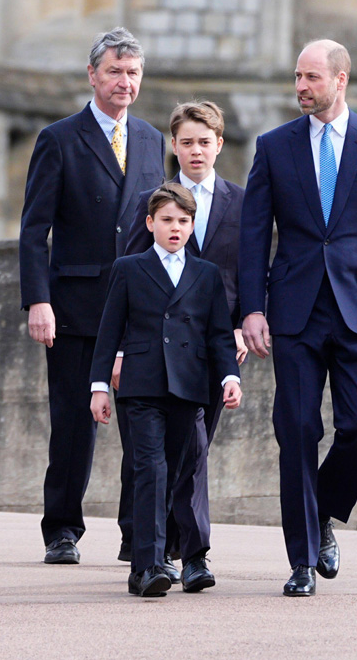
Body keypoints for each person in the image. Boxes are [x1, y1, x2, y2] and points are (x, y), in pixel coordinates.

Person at [239, 39, 357, 597]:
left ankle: (322, 516)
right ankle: (300, 562)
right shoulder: (273, 148)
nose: (300, 86)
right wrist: (251, 308)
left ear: (340, 80)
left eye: (311, 77)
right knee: (295, 430)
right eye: (297, 76)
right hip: (292, 311)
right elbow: (252, 235)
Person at [19, 27, 166, 564]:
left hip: (139, 307)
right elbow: (35, 230)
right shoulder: (59, 138)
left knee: (142, 422)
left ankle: (136, 534)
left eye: (132, 73)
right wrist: (39, 300)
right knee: (74, 425)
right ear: (92, 75)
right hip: (75, 306)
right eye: (114, 72)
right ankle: (61, 529)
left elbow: (162, 222)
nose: (124, 82)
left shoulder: (152, 139)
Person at [118, 101, 247, 589]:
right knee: (156, 453)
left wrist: (246, 322)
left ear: (219, 145)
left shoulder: (242, 200)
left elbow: (252, 269)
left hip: (216, 348)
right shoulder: (153, 203)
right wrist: (124, 350)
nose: (196, 150)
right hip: (155, 355)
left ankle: (189, 554)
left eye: (205, 141)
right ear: (174, 146)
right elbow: (130, 272)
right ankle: (156, 551)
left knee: (195, 451)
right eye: (187, 142)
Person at [89, 184, 241, 597]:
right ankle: (148, 566)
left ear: (192, 227)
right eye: (168, 220)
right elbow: (109, 332)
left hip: (190, 387)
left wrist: (230, 377)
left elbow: (220, 335)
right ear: (150, 223)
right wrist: (100, 386)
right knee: (149, 470)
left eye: (184, 221)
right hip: (141, 386)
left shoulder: (206, 274)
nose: (176, 228)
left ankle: (185, 556)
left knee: (180, 469)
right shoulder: (128, 268)